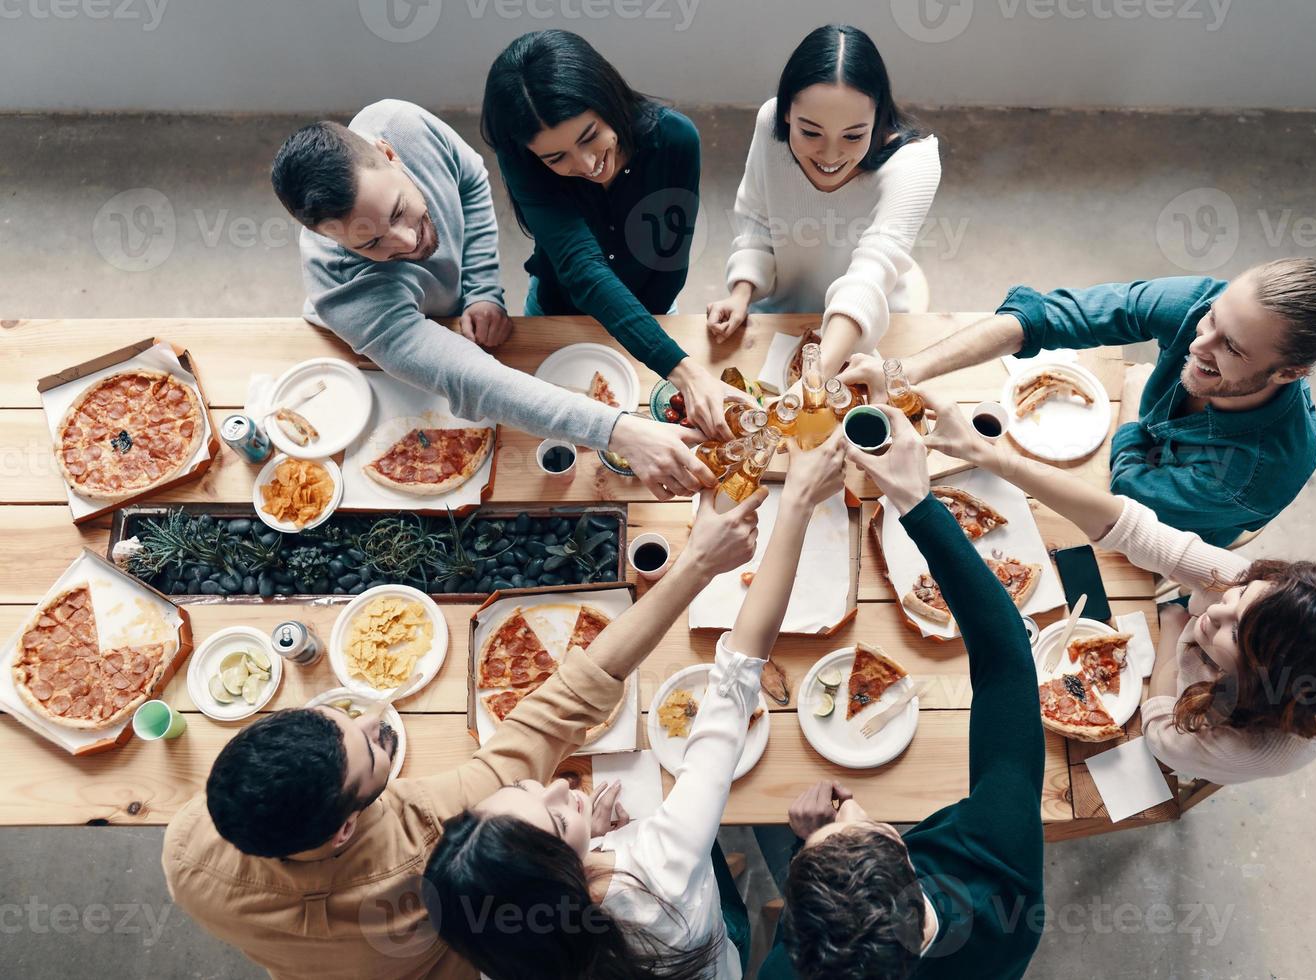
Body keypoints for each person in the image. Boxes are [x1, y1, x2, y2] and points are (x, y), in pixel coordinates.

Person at [160, 493, 764, 980]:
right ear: (345, 827)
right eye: (372, 749)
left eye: (341, 717)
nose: (376, 718)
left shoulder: (186, 853)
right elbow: (565, 702)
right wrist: (697, 566)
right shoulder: (436, 839)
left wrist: (569, 841)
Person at [421, 434, 848, 980]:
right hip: (713, 946)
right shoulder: (661, 866)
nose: (561, 785)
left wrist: (586, 837)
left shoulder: (509, 949)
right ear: (562, 879)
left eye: (524, 785)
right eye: (555, 817)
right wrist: (798, 504)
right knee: (733, 907)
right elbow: (737, 678)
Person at [924, 392, 1316, 784]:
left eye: (1232, 630)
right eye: (1241, 597)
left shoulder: (1237, 745)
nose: (1218, 606)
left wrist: (1172, 626)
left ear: (1260, 676)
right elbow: (1126, 525)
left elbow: (1161, 729)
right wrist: (989, 455)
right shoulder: (1243, 583)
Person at [271, 101, 714, 500]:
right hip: (383, 344)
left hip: (454, 311)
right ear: (326, 238)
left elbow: (469, 177)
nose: (408, 243)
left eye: (400, 211)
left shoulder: (402, 124)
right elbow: (475, 381)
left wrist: (481, 286)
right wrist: (620, 432)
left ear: (390, 154)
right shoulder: (345, 294)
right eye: (371, 244)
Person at [758, 406, 1044, 979]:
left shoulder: (783, 972)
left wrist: (806, 848)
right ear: (900, 847)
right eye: (855, 825)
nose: (841, 815)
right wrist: (918, 502)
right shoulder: (1005, 888)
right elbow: (1008, 660)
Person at [841, 258, 1316, 544]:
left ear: (1290, 372)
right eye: (1212, 320)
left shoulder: (1261, 469)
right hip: (1129, 476)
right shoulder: (1207, 309)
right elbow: (1046, 319)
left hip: (1177, 534)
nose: (1198, 343)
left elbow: (1132, 498)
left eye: (1231, 348)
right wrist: (900, 370)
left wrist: (1131, 411)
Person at [481, 30, 745, 441]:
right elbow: (580, 269)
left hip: (652, 314)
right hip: (559, 309)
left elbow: (668, 256)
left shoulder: (675, 140)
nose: (586, 164)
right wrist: (686, 371)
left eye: (590, 137)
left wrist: (674, 361)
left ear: (608, 98)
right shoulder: (523, 162)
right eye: (556, 157)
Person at [708, 24, 941, 376]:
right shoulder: (770, 125)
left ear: (877, 117)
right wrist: (742, 291)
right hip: (783, 312)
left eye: (853, 135)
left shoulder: (914, 162)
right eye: (811, 132)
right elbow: (757, 218)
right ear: (786, 113)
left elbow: (870, 274)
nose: (830, 155)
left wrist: (817, 373)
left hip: (867, 325)